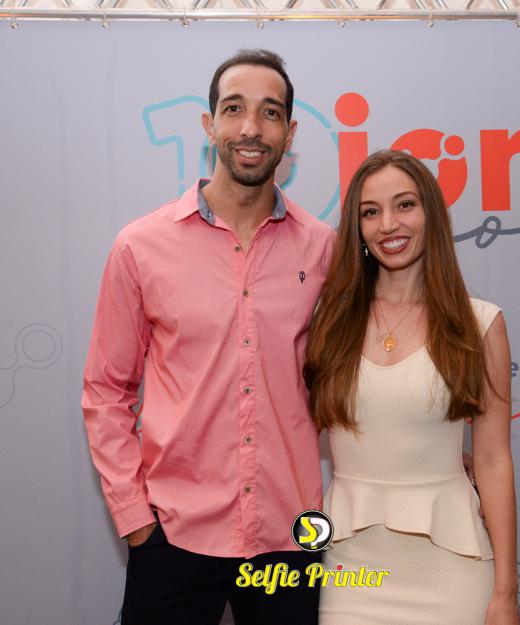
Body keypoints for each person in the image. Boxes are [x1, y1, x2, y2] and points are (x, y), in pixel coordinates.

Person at [82, 49, 335, 625]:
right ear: (209, 125)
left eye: (270, 112)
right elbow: (106, 390)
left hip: (289, 538)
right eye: (234, 109)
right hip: (172, 536)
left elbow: (348, 377)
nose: (251, 128)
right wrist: (136, 521)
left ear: (290, 133)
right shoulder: (140, 246)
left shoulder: (323, 249)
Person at [304, 150, 520, 625]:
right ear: (357, 228)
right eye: (370, 211)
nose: (388, 224)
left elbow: (492, 460)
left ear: (431, 215)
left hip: (453, 570)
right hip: (350, 573)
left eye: (405, 204)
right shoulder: (328, 324)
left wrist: (506, 591)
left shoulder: (480, 324)